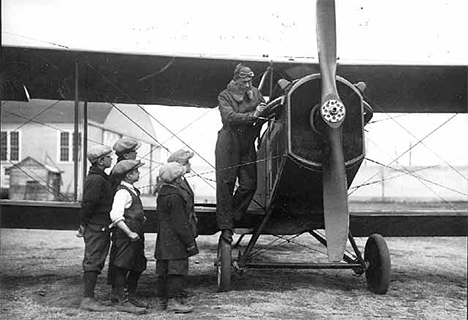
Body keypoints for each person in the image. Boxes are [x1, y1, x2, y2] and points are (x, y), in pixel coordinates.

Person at [215, 63, 267, 244]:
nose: (247, 85)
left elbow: (265, 109)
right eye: (244, 81)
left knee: (249, 184)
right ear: (236, 80)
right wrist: (254, 115)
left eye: (250, 81)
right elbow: (228, 117)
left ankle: (233, 216)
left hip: (246, 143)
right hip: (228, 143)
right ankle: (225, 227)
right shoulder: (225, 95)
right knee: (225, 185)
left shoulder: (256, 93)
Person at [155, 162, 199, 313]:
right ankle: (174, 302)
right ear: (177, 179)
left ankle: (163, 301)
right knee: (176, 269)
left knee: (164, 269)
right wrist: (189, 242)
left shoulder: (162, 192)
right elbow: (180, 223)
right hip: (175, 239)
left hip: (164, 237)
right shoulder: (175, 196)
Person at [108, 159, 147, 315]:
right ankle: (120, 299)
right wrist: (129, 233)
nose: (139, 173)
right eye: (136, 171)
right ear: (129, 175)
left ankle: (130, 295)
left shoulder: (132, 190)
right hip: (127, 236)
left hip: (136, 235)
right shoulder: (122, 192)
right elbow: (115, 215)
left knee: (138, 264)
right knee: (123, 265)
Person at [79, 145, 114, 312]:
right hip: (97, 225)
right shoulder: (96, 180)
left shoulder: (100, 177)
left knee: (96, 260)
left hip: (101, 225)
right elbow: (88, 203)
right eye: (108, 157)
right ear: (101, 161)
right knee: (93, 260)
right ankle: (88, 299)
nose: (111, 159)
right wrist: (83, 224)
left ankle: (89, 297)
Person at [107, 137, 141, 289]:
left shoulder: (121, 174)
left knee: (133, 261)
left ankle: (125, 292)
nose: (136, 154)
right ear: (127, 155)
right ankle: (119, 294)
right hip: (124, 228)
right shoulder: (119, 179)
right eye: (134, 152)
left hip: (129, 227)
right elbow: (116, 211)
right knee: (122, 261)